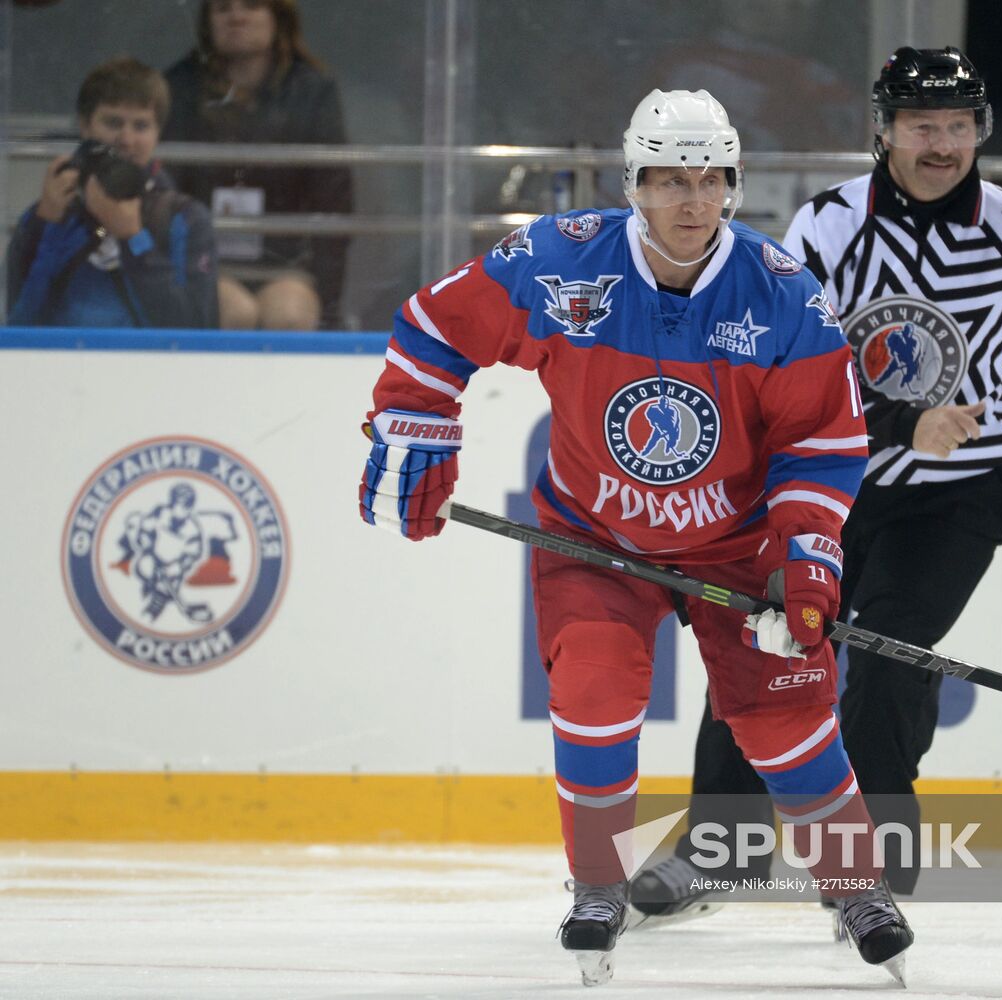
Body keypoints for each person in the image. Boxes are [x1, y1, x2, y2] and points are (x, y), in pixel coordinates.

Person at [357, 89, 914, 986]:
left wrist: (808, 554)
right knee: (593, 691)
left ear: (732, 185)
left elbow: (821, 444)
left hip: (737, 547)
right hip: (595, 541)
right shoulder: (559, 261)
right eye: (668, 180)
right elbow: (433, 329)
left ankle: (854, 886)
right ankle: (598, 883)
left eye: (710, 180)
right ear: (633, 183)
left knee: (787, 720)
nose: (692, 201)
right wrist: (415, 431)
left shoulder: (782, 295)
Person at [627, 46, 1002, 923]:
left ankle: (869, 862)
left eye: (959, 125)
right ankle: (718, 847)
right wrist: (892, 420)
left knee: (886, 662)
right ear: (884, 130)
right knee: (761, 647)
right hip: (829, 487)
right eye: (923, 125)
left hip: (954, 498)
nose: (942, 143)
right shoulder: (828, 227)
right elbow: (779, 360)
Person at [163, 0, 354, 331]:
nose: (236, 17)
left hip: (287, 262)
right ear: (207, 22)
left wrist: (330, 301)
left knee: (289, 315)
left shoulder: (312, 90)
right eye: (222, 8)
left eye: (250, 6)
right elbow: (165, 191)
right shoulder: (179, 87)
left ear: (276, 17)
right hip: (204, 260)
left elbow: (334, 199)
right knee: (232, 313)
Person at [7, 57, 218, 329]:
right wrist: (47, 225)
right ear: (85, 126)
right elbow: (19, 327)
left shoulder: (186, 219)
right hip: (62, 367)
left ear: (158, 134)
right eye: (113, 123)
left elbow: (197, 332)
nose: (126, 139)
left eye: (141, 126)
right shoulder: (48, 214)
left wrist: (134, 240)